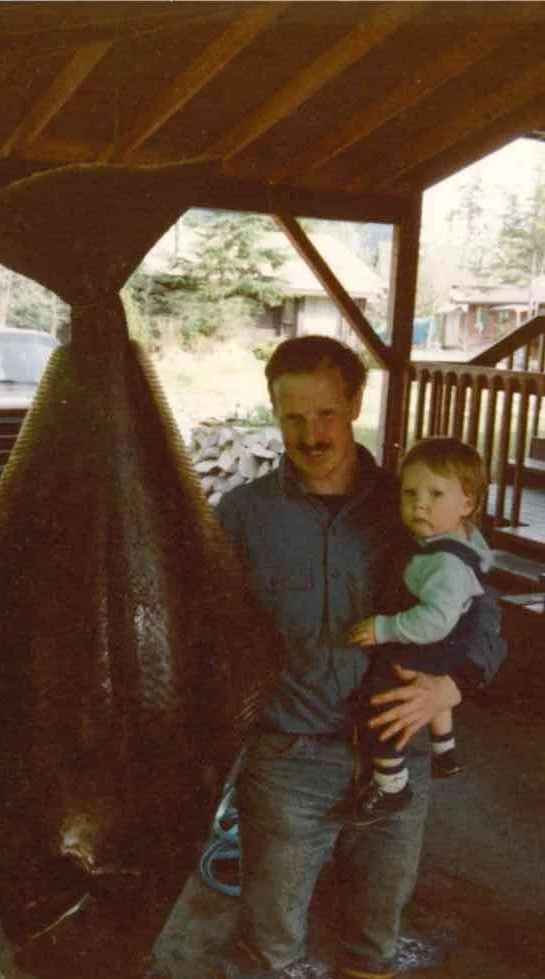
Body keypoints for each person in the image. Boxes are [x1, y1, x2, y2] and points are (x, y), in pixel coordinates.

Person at [214, 336, 471, 979]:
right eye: (293, 417)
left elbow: (482, 616)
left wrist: (452, 688)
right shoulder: (242, 516)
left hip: (397, 751)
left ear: (356, 402)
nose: (312, 433)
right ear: (273, 415)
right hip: (287, 758)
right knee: (270, 950)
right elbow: (207, 634)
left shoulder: (413, 504)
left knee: (373, 943)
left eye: (326, 412)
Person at [346, 437, 493, 826]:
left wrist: (385, 628)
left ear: (468, 503)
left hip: (437, 638)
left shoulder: (443, 563)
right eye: (409, 493)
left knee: (384, 699)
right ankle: (446, 749)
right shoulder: (458, 540)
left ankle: (391, 783)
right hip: (450, 639)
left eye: (435, 493)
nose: (419, 504)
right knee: (432, 688)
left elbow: (434, 621)